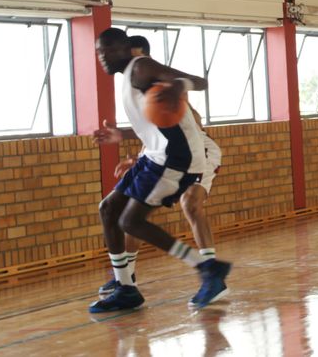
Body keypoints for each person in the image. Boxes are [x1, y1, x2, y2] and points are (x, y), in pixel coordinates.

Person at [89, 27, 230, 312]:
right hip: (155, 156)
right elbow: (154, 124)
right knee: (109, 209)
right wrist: (121, 136)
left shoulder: (141, 67)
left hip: (178, 159)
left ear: (127, 49)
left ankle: (207, 268)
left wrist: (180, 85)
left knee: (131, 221)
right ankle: (125, 285)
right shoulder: (129, 77)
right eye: (99, 52)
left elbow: (199, 82)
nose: (103, 57)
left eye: (109, 50)